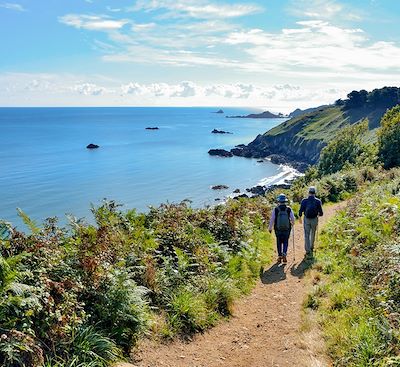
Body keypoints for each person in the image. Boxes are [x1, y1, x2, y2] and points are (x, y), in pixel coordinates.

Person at [269, 193, 295, 264]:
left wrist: (270, 228)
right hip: (287, 229)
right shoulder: (289, 209)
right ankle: (284, 254)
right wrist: (292, 224)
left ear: (279, 201)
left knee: (279, 242)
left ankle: (279, 256)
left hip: (278, 229)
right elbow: (293, 219)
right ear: (285, 201)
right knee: (286, 241)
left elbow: (272, 219)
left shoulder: (276, 209)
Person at [298, 186, 323, 258]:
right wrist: (318, 214)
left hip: (306, 219)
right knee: (313, 233)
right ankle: (312, 247)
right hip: (314, 219)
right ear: (315, 193)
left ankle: (307, 250)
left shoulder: (304, 200)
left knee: (306, 234)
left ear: (308, 193)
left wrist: (299, 218)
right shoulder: (318, 201)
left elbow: (300, 211)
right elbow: (321, 213)